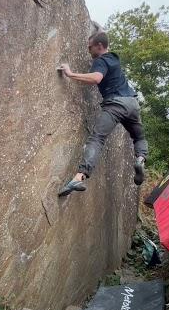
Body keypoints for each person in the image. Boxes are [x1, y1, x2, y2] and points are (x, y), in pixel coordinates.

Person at [57, 25, 147, 197]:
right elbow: (104, 40)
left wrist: (70, 73)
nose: (88, 50)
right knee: (139, 137)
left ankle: (79, 177)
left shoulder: (100, 60)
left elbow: (96, 78)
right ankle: (140, 159)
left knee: (97, 138)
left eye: (90, 47)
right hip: (133, 104)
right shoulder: (113, 58)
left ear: (99, 46)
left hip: (115, 105)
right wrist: (99, 28)